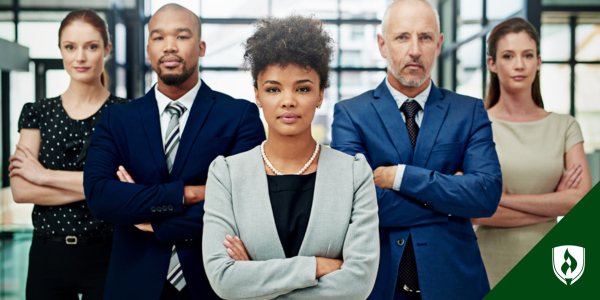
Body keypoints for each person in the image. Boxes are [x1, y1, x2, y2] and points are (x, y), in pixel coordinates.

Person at [83, 4, 265, 300]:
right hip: (133, 283)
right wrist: (190, 194)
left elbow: (244, 205)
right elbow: (101, 197)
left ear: (201, 47)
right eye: (158, 38)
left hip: (213, 282)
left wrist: (149, 219)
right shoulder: (117, 119)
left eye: (181, 36)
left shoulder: (239, 116)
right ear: (147, 50)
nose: (169, 47)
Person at [330, 0, 503, 299]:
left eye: (424, 37)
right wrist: (450, 206)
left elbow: (485, 195)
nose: (414, 49)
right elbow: (354, 204)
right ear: (383, 45)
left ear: (438, 45)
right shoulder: (351, 114)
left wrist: (400, 177)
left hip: (455, 283)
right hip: (379, 284)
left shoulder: (469, 111)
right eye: (402, 37)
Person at [202, 15, 380, 300]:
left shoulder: (353, 173)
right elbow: (224, 280)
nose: (288, 100)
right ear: (257, 95)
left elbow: (358, 284)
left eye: (303, 88)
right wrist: (315, 267)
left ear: (321, 95)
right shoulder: (227, 174)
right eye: (273, 89)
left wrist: (257, 278)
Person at [8, 9, 128, 300]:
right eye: (70, 47)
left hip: (108, 252)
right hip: (48, 255)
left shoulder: (126, 114)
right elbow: (22, 190)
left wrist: (45, 176)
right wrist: (101, 187)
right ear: (60, 49)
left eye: (91, 46)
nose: (80, 58)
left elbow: (128, 189)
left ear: (107, 49)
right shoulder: (37, 112)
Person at [472, 17, 592, 288]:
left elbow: (580, 201)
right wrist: (554, 203)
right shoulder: (474, 126)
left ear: (538, 62)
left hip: (554, 265)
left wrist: (500, 199)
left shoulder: (564, 126)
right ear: (492, 64)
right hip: (486, 267)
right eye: (508, 56)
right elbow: (473, 211)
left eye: (527, 55)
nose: (519, 65)